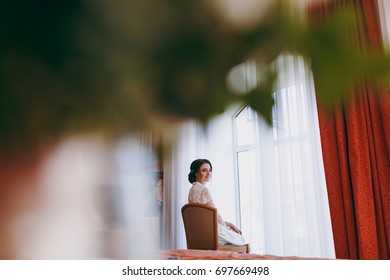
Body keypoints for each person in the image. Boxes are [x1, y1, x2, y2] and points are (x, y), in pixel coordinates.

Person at [187, 158, 246, 246]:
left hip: (197, 235)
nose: (208, 173)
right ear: (195, 172)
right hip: (211, 235)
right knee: (241, 240)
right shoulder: (203, 190)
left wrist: (228, 224)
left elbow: (205, 217)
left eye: (210, 170)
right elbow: (215, 216)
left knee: (234, 235)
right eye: (204, 170)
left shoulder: (192, 190)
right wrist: (227, 227)